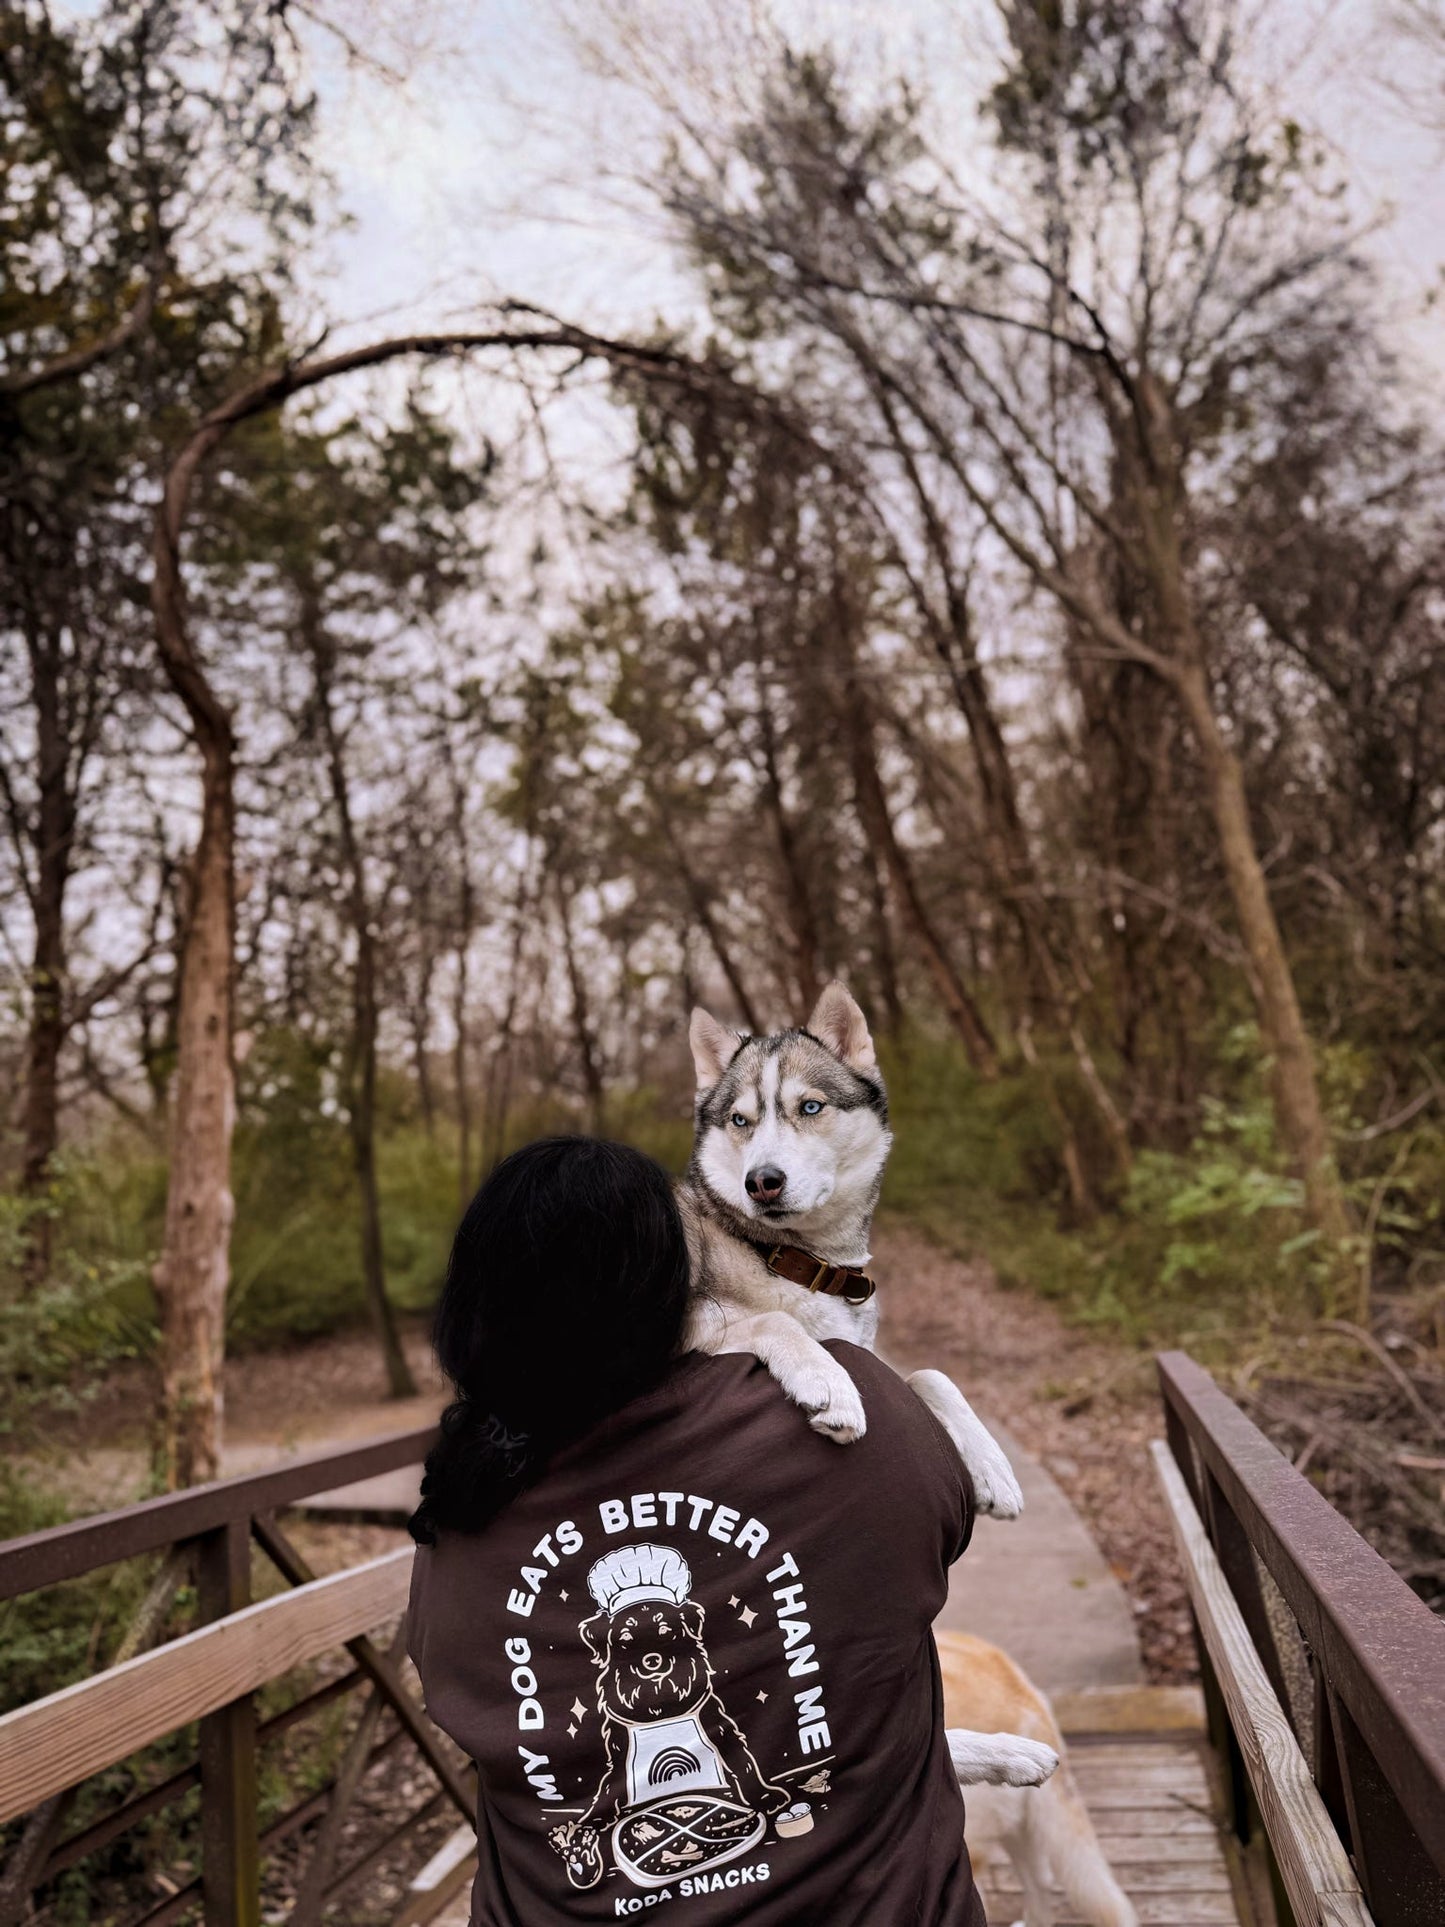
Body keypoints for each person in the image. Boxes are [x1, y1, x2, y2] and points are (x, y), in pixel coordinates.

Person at [407, 1136, 983, 1927]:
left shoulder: (460, 1520)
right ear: (678, 1278)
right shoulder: (850, 1406)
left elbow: (462, 1701)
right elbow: (944, 1518)